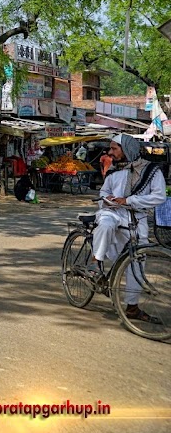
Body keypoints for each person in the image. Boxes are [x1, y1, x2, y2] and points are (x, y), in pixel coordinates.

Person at [88, 134, 167, 323]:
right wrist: (107, 201)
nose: (110, 152)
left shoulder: (151, 171)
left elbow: (159, 197)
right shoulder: (113, 171)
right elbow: (104, 192)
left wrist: (129, 200)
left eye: (115, 148)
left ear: (127, 149)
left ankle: (132, 307)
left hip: (136, 219)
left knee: (137, 263)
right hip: (113, 213)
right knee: (105, 224)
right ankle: (95, 262)